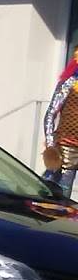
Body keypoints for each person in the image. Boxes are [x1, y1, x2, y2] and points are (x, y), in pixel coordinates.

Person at [42, 47, 78, 197]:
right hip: (67, 147)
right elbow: (50, 114)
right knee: (56, 195)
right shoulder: (69, 83)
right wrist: (51, 146)